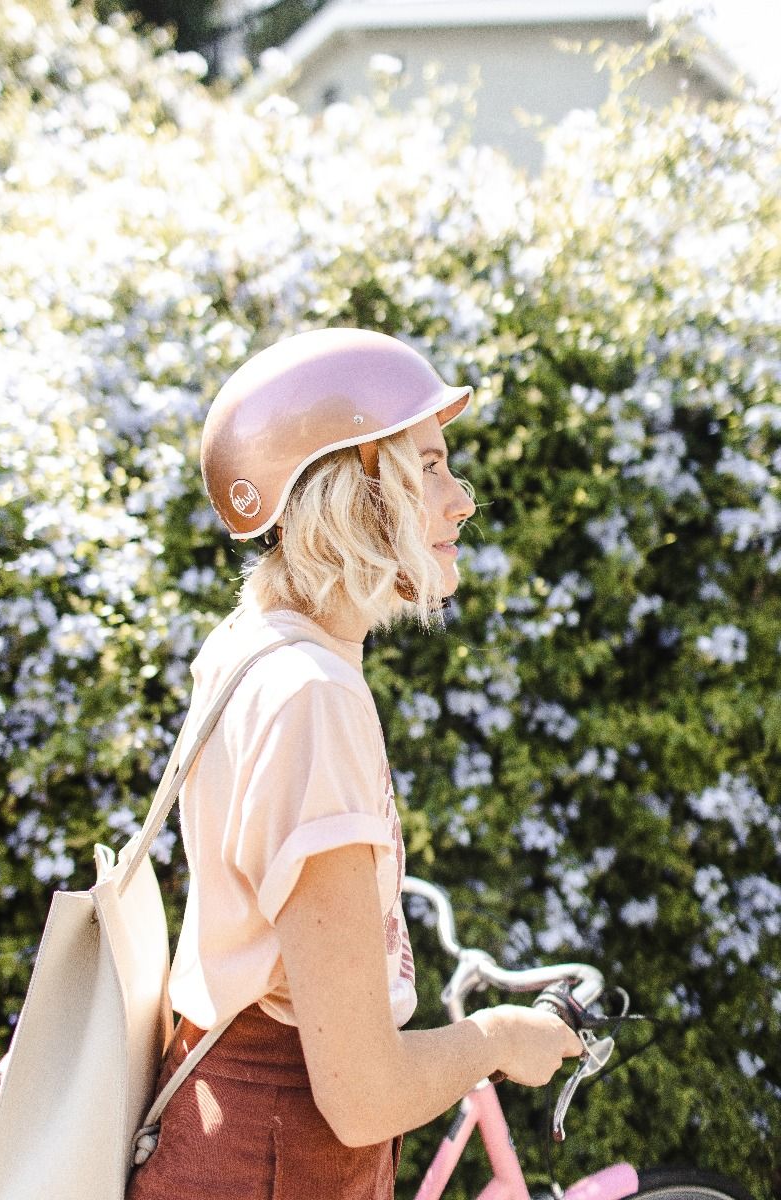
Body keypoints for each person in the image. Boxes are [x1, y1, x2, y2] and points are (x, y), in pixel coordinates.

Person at [126, 327, 581, 1200]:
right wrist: (497, 1039)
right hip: (276, 1163)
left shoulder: (253, 646)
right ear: (352, 487)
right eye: (430, 468)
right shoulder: (313, 698)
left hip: (221, 1134)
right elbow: (362, 1096)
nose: (462, 501)